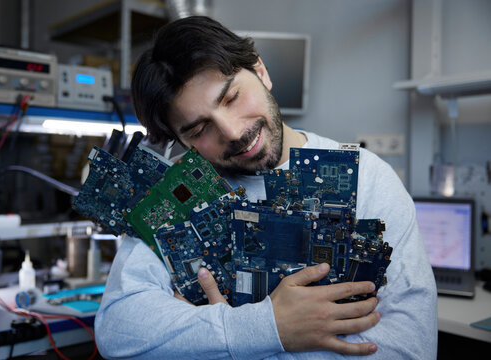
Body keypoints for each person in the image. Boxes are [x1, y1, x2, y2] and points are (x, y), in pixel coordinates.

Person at [95, 16, 437, 359]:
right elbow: (119, 330)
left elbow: (411, 348)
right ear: (182, 143)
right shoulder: (177, 197)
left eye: (231, 98)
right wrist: (269, 327)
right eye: (199, 130)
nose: (230, 131)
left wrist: (209, 335)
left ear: (261, 72)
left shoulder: (369, 178)